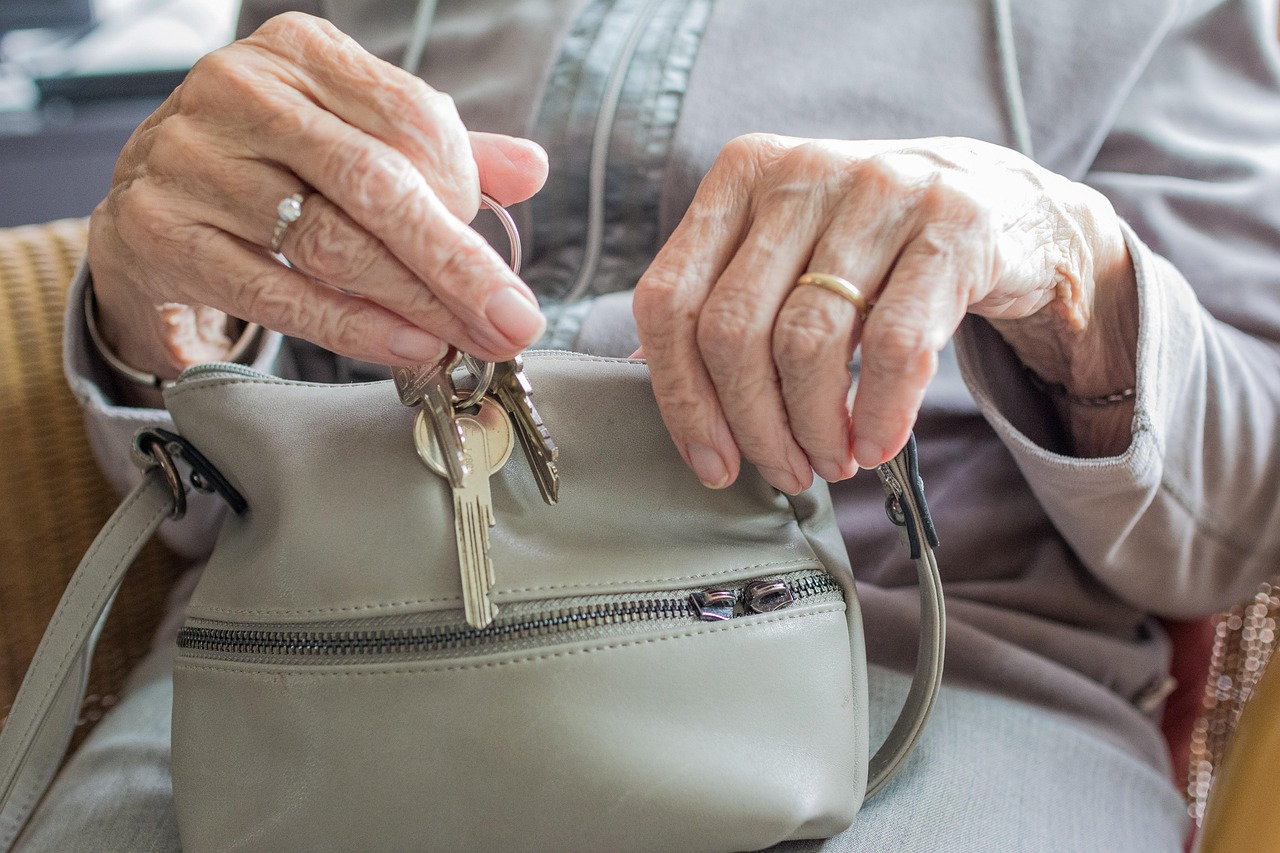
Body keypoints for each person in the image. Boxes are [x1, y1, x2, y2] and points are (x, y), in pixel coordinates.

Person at [15, 0, 1280, 849]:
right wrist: (156, 302)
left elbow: (1231, 528)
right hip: (306, 642)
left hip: (912, 679)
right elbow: (189, 487)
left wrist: (1061, 260)